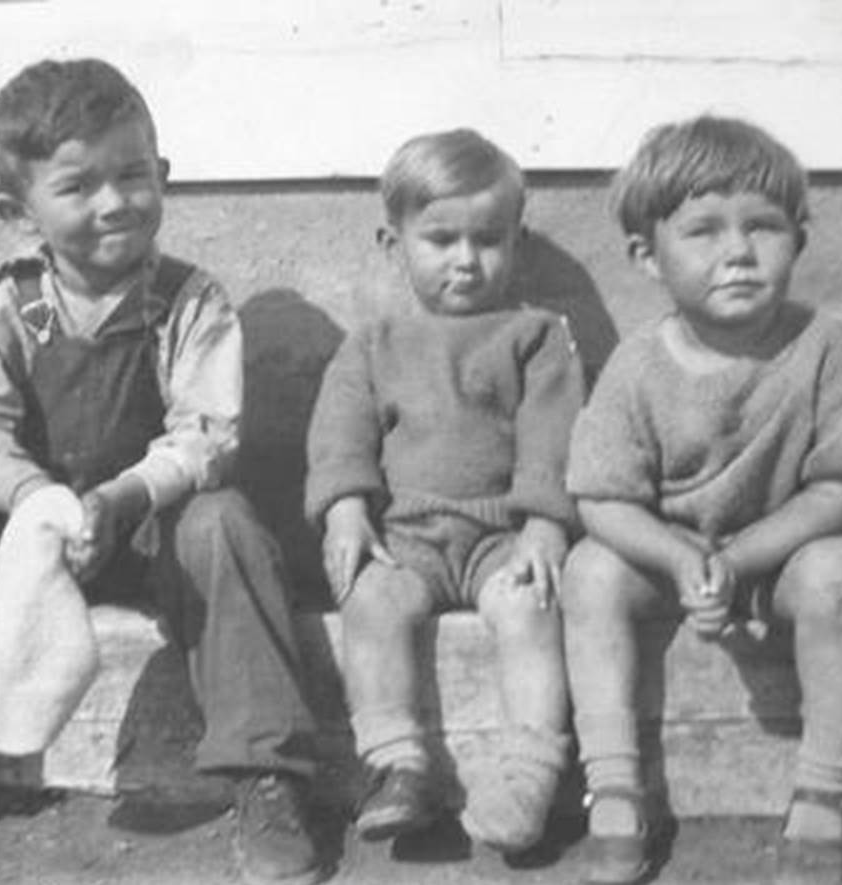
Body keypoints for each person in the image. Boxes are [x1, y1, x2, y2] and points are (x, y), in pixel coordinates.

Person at [0, 57, 326, 885]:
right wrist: (37, 501)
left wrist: (122, 498)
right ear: (19, 213)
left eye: (133, 174)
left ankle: (266, 770)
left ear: (164, 175)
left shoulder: (191, 302)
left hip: (152, 533)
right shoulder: (3, 300)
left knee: (223, 519)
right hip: (31, 546)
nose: (115, 201)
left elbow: (208, 432)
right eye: (78, 186)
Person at [559, 115, 842, 885]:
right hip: (677, 553)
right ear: (647, 255)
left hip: (797, 551)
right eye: (704, 231)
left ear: (799, 240)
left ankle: (825, 790)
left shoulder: (827, 347)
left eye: (765, 228)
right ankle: (613, 785)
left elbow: (839, 487)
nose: (739, 252)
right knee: (590, 570)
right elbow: (602, 500)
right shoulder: (638, 366)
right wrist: (682, 557)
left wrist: (740, 557)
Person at [305, 128, 585, 855]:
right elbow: (341, 434)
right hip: (409, 536)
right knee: (371, 599)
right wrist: (346, 510)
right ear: (392, 241)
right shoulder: (373, 343)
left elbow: (552, 435)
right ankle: (397, 763)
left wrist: (545, 527)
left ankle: (531, 772)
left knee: (531, 605)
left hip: (502, 538)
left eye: (488, 238)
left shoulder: (535, 336)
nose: (466, 259)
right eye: (440, 239)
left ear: (516, 239)